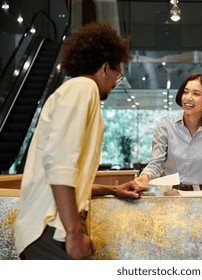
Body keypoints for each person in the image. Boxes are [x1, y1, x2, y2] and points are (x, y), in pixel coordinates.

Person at [15, 22, 142, 260]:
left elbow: (67, 178)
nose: (116, 81)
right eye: (118, 73)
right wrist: (74, 232)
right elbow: (60, 165)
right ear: (106, 67)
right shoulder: (84, 89)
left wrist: (113, 190)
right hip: (51, 230)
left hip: (49, 230)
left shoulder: (73, 90)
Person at [136, 73, 202, 192]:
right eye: (185, 92)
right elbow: (156, 164)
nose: (188, 97)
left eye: (196, 94)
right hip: (170, 195)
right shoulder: (166, 127)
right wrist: (145, 176)